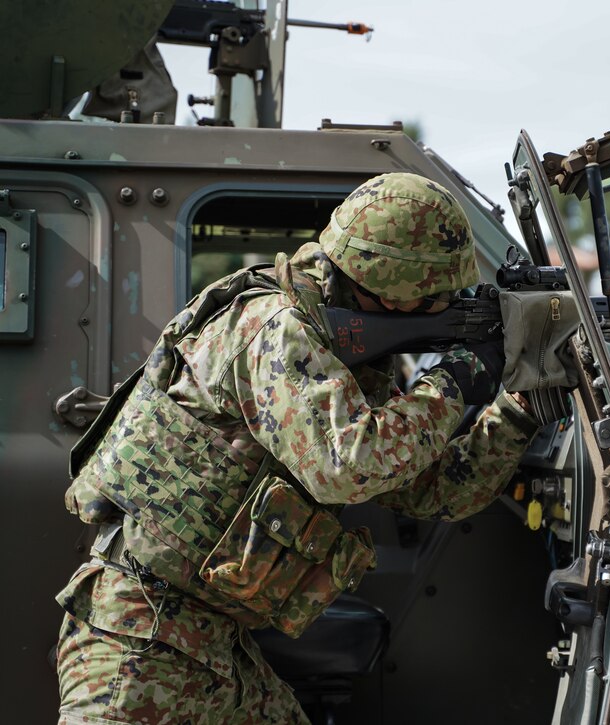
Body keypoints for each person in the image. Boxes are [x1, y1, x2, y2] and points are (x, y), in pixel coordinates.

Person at [55, 173, 544, 724]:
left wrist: (523, 406)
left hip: (208, 641)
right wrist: (453, 384)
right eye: (437, 299)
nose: (445, 308)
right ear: (390, 289)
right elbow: (347, 467)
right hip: (137, 642)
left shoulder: (341, 353)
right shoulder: (273, 325)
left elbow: (437, 492)